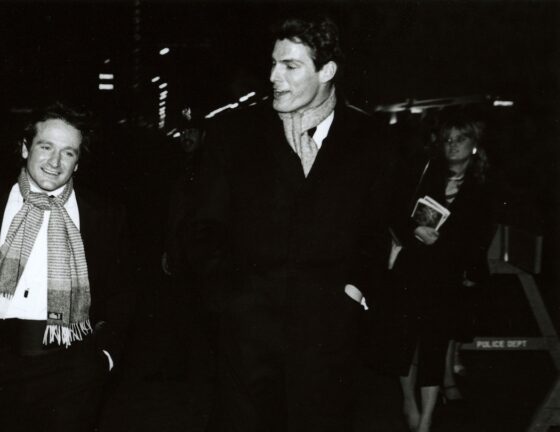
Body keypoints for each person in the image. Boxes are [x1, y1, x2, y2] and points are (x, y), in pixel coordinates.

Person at [186, 13, 396, 432]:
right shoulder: (233, 133)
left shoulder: (369, 138)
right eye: (273, 63)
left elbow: (376, 229)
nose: (273, 77)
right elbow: (204, 225)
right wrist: (230, 299)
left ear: (326, 71)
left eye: (290, 66)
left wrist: (353, 292)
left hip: (328, 335)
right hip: (247, 335)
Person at [0, 102, 133, 432]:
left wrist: (104, 356)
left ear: (77, 162)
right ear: (25, 148)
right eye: (45, 147)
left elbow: (123, 291)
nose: (55, 162)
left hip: (74, 365)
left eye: (68, 153)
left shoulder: (103, 215)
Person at [386, 112, 492, 432]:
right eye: (447, 139)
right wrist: (414, 230)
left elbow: (481, 234)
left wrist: (471, 271)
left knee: (435, 344)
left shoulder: (483, 184)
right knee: (405, 342)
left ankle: (426, 421)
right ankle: (409, 403)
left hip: (447, 275)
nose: (452, 145)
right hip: (412, 269)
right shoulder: (423, 172)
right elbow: (393, 211)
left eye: (461, 139)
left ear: (474, 145)